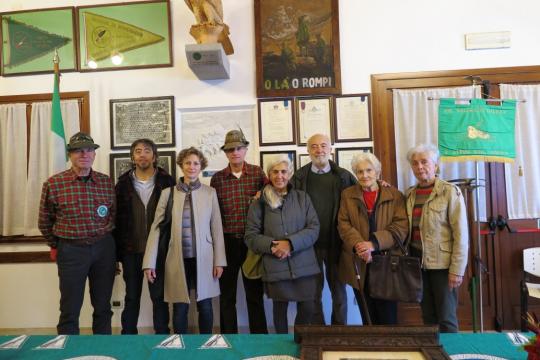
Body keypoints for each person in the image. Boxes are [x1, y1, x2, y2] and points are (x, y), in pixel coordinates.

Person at [38, 132, 116, 335]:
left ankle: (102, 349)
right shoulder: (54, 184)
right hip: (71, 250)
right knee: (70, 308)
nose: (84, 154)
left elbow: (113, 216)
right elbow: (44, 220)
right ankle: (67, 350)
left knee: (103, 306)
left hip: (103, 249)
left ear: (94, 155)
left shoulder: (106, 182)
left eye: (89, 149)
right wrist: (58, 245)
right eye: (78, 150)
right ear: (69, 154)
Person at [143, 147, 226, 334]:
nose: (192, 166)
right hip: (177, 258)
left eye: (196, 163)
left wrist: (219, 261)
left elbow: (217, 229)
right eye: (188, 162)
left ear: (201, 166)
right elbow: (156, 229)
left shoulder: (210, 193)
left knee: (205, 305)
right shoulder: (167, 193)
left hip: (204, 258)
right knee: (180, 306)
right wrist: (149, 263)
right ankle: (180, 345)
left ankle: (206, 344)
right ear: (181, 165)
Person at [245, 154, 320, 333]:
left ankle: (300, 341)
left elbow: (314, 228)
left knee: (308, 308)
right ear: (269, 175)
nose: (280, 176)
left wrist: (290, 243)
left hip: (304, 264)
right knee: (280, 311)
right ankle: (281, 347)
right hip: (275, 264)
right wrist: (274, 246)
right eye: (275, 172)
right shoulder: (259, 203)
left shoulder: (303, 198)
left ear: (290, 173)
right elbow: (250, 236)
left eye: (284, 172)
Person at [290, 133, 357, 325]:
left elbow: (363, 190)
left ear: (330, 149)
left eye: (323, 146)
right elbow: (284, 198)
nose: (319, 150)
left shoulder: (343, 176)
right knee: (313, 292)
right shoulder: (300, 177)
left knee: (339, 292)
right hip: (309, 246)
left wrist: (380, 184)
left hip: (337, 243)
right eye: (314, 146)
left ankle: (340, 332)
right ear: (308, 150)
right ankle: (319, 331)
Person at [337, 152, 408, 325]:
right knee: (367, 315)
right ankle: (371, 347)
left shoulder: (395, 195)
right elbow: (343, 224)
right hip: (359, 262)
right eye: (359, 171)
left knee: (387, 316)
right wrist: (361, 247)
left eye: (369, 170)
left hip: (386, 263)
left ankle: (389, 349)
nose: (365, 175)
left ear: (377, 171)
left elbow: (400, 227)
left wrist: (373, 244)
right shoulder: (347, 195)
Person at [114, 139, 175, 334]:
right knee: (131, 297)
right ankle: (128, 336)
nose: (142, 154)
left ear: (154, 156)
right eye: (138, 151)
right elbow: (115, 221)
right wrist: (117, 256)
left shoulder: (168, 182)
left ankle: (162, 336)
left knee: (159, 297)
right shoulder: (122, 184)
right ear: (133, 157)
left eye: (147, 151)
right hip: (131, 251)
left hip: (159, 251)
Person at [405, 144, 468, 333]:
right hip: (418, 264)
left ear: (436, 165)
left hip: (443, 266)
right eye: (415, 164)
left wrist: (457, 270)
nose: (420, 167)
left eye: (424, 162)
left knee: (447, 318)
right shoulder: (409, 194)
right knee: (428, 317)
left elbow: (461, 235)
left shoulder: (450, 192)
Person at [210, 129, 268, 334]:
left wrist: (264, 193)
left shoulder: (258, 173)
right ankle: (229, 339)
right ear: (226, 153)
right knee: (227, 295)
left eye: (239, 148)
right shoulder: (217, 179)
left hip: (252, 242)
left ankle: (260, 339)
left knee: (254, 293)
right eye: (230, 149)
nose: (235, 152)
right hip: (227, 242)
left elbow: (273, 197)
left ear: (245, 150)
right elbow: (213, 214)